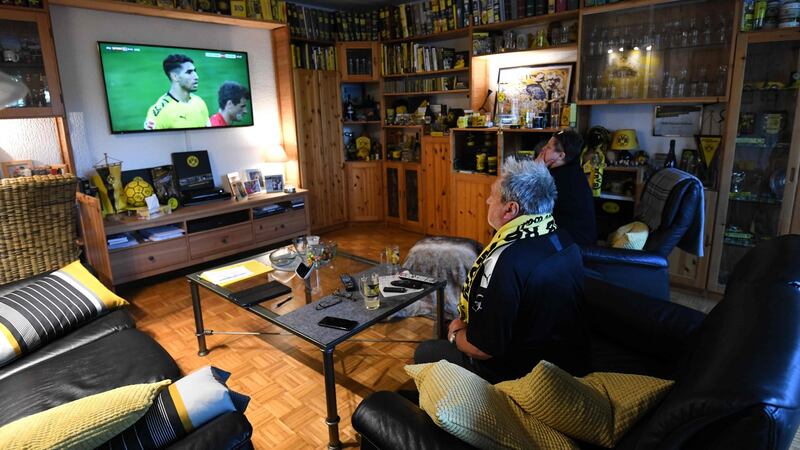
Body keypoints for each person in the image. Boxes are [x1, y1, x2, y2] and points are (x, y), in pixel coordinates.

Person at [414, 158, 589, 383]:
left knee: (426, 351)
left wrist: (455, 334)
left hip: (526, 376)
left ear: (510, 209)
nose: (487, 200)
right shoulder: (562, 239)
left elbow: (482, 348)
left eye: (492, 195)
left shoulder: (505, 260)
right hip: (567, 361)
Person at [536, 129, 597, 246]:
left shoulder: (561, 178)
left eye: (548, 147)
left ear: (561, 155)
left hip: (574, 246)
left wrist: (535, 169)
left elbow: (530, 204)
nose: (543, 149)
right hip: (571, 238)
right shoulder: (571, 169)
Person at [144, 54, 210, 130]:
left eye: (194, 71)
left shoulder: (199, 102)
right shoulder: (159, 113)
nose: (196, 77)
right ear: (175, 77)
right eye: (189, 72)